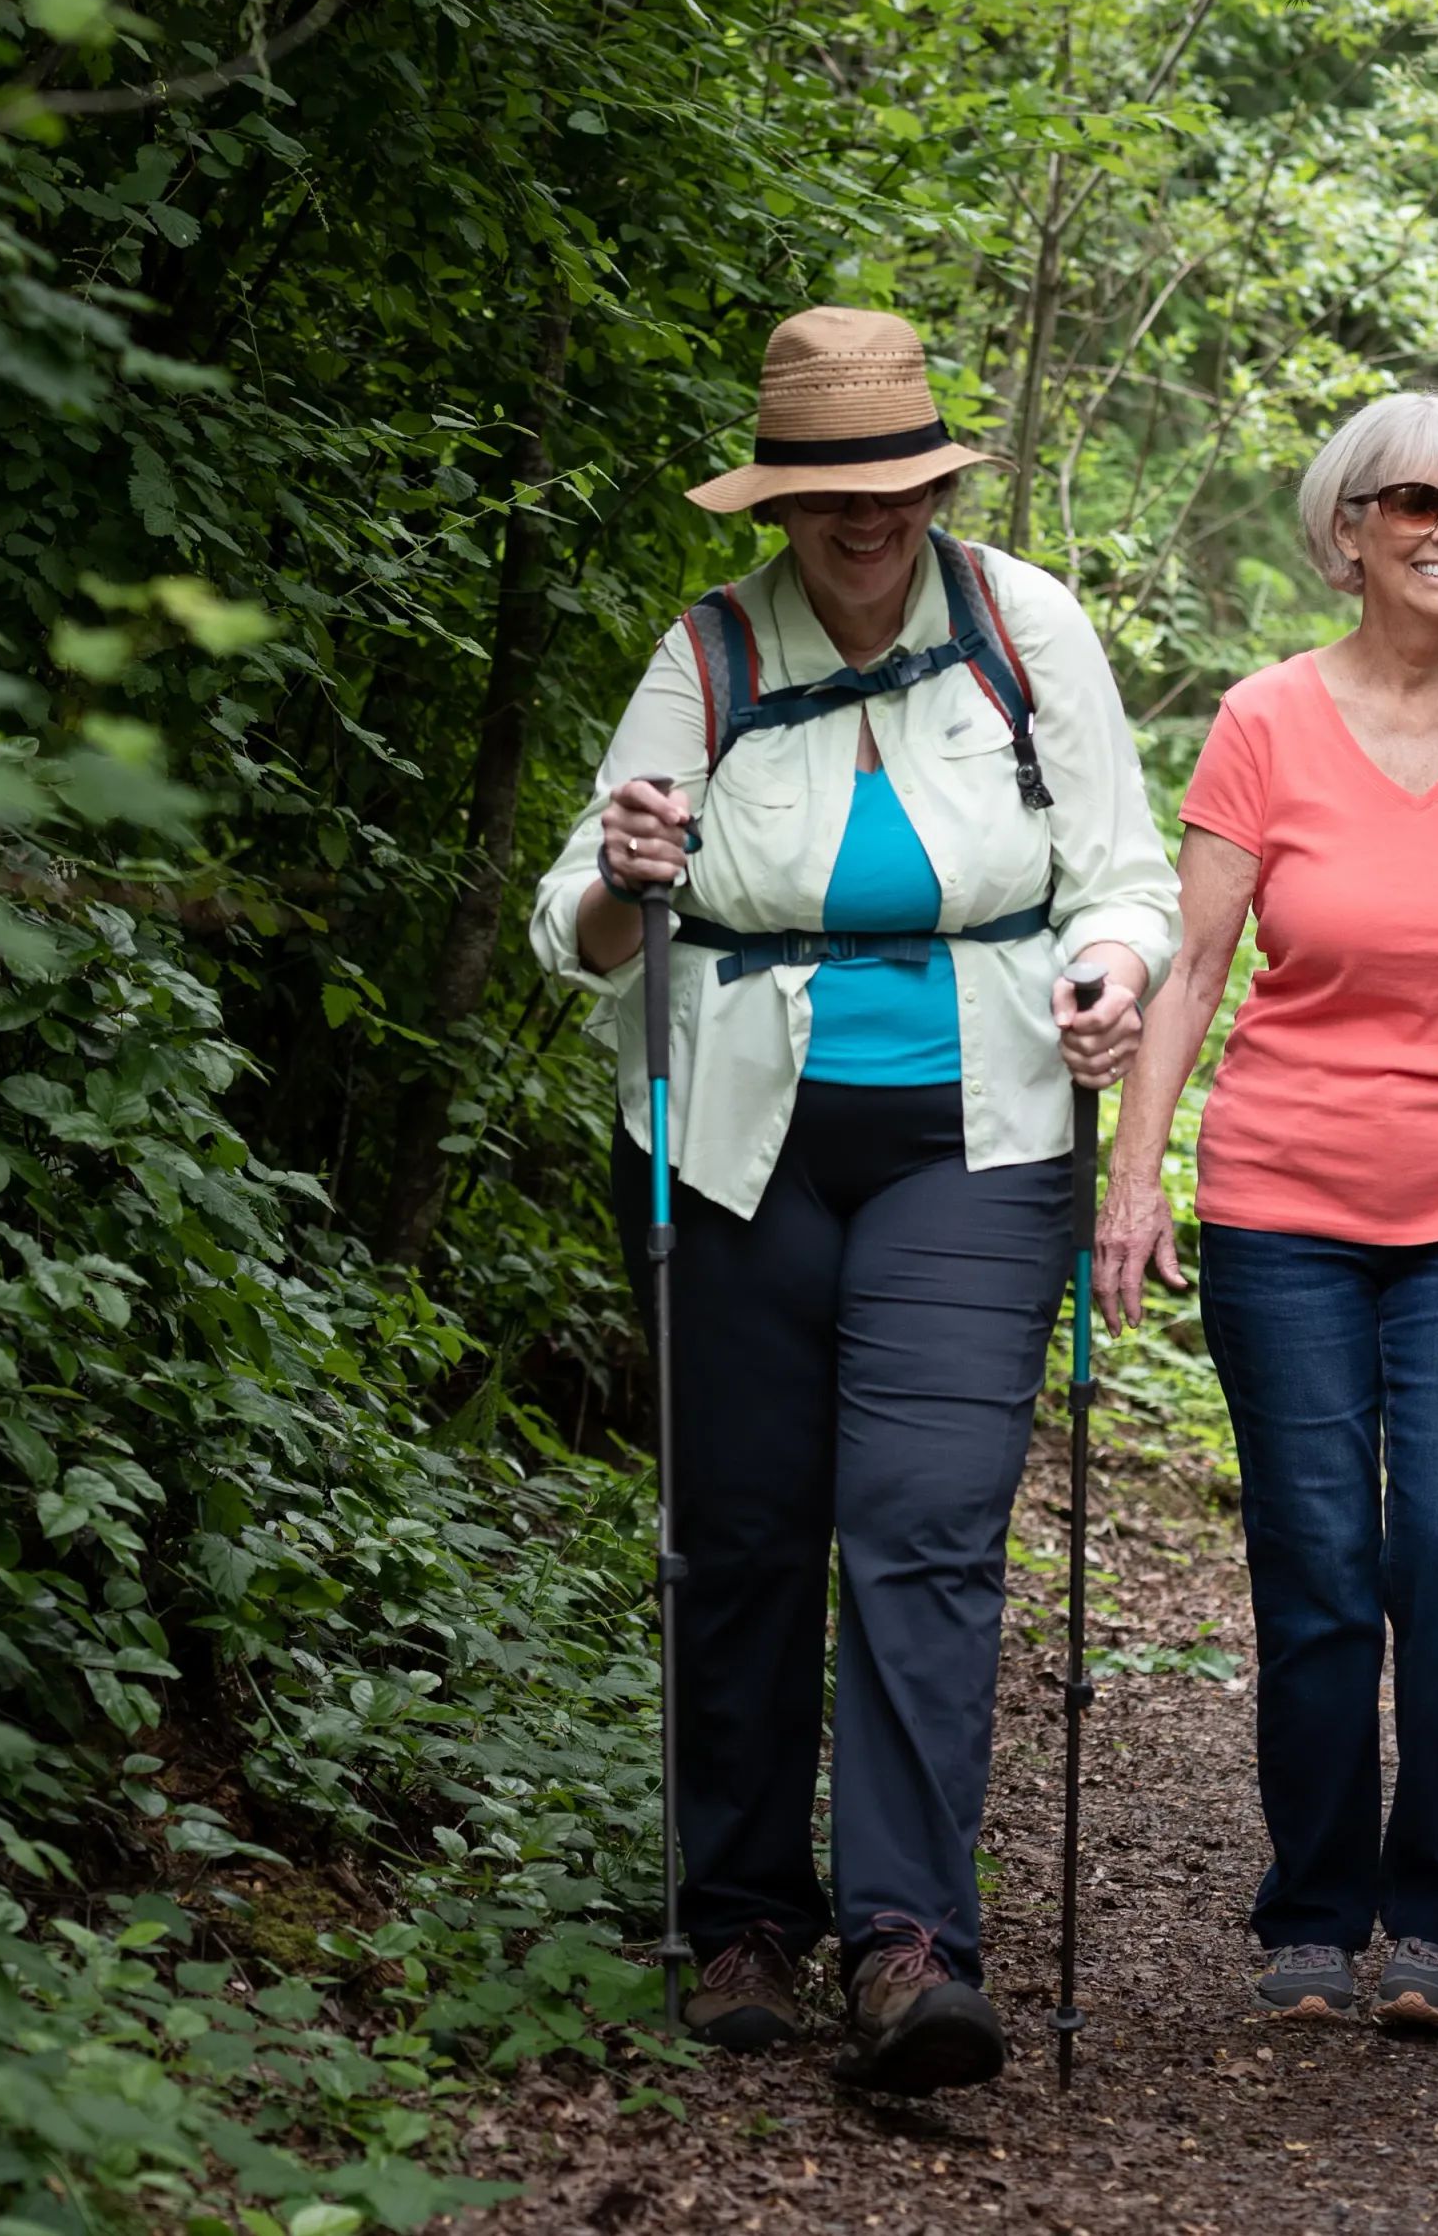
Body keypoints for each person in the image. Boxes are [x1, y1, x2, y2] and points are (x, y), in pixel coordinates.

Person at [528, 305, 1179, 2095]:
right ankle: (739, 1904)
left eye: (892, 482)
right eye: (828, 490)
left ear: (935, 480)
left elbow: (1126, 879)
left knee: (921, 1519)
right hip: (729, 1132)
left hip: (979, 1130)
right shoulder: (713, 650)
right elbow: (578, 900)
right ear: (780, 503)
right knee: (739, 1526)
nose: (864, 517)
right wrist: (622, 876)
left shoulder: (1025, 630)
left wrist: (1113, 971)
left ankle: (909, 1940)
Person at [1094, 390, 1438, 2039]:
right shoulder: (1265, 719)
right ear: (1349, 531)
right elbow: (1190, 965)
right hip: (1283, 1197)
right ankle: (1317, 1912)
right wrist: (1136, 1172)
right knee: (1320, 1558)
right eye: (1414, 504)